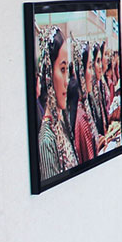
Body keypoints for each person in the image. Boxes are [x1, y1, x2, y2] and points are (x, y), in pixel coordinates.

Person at [37, 27, 78, 181]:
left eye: (67, 69)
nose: (67, 81)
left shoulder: (60, 123)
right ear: (48, 73)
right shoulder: (47, 141)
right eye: (62, 69)